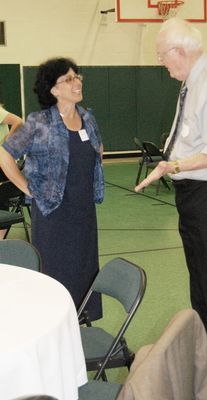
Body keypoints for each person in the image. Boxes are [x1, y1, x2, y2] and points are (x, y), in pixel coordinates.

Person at [135, 18, 207, 391]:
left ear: (180, 52)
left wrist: (173, 165)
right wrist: (174, 166)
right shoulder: (194, 80)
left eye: (162, 56)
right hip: (196, 196)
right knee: (202, 282)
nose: (161, 63)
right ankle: (206, 356)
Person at [0, 57, 104, 321]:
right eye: (68, 79)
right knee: (55, 271)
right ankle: (53, 322)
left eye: (77, 76)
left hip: (84, 212)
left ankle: (81, 319)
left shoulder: (88, 118)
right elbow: (5, 154)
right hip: (53, 213)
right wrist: (26, 186)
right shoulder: (39, 123)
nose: (76, 82)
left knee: (84, 269)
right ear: (53, 89)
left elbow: (98, 151)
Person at [0, 105, 23, 239]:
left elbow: (18, 121)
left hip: (2, 164)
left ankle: (1, 241)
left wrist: (6, 143)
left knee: (1, 201)